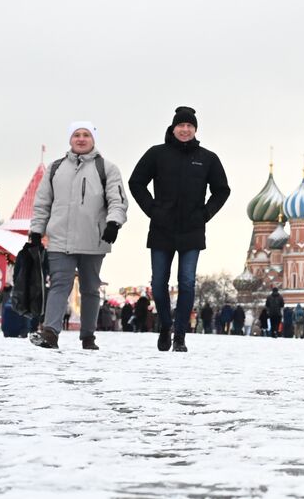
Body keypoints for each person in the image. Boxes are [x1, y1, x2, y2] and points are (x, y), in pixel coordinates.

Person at [129, 106, 230, 354]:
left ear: (195, 130)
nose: (185, 130)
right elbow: (136, 182)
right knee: (159, 282)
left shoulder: (207, 158)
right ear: (173, 128)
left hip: (192, 230)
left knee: (186, 282)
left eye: (189, 126)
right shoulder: (157, 154)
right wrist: (153, 209)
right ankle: (165, 325)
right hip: (161, 228)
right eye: (181, 126)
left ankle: (180, 335)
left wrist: (205, 213)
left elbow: (222, 190)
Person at [28, 122, 129, 351]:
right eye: (76, 135)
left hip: (93, 239)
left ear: (93, 139)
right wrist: (36, 230)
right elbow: (42, 203)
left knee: (90, 289)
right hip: (59, 238)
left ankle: (88, 336)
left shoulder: (107, 168)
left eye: (86, 135)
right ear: (70, 139)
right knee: (59, 285)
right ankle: (50, 332)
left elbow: (118, 200)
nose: (81, 139)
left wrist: (114, 222)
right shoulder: (56, 168)